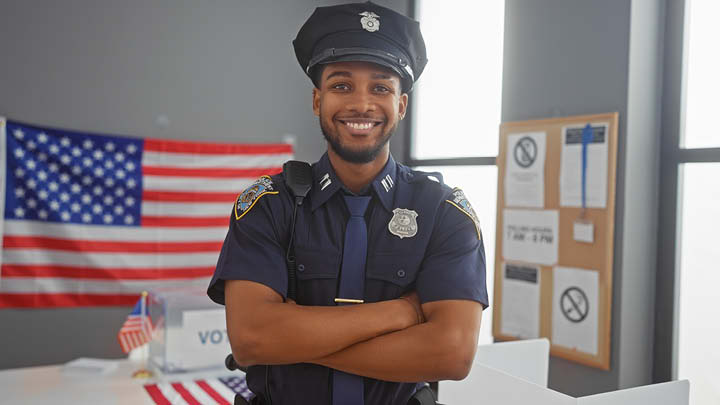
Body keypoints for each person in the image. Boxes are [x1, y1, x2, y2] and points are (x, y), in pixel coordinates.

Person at [207, 2, 488, 404]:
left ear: (401, 105)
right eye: (341, 85)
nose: (361, 104)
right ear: (317, 100)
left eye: (381, 87)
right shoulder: (270, 205)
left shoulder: (444, 213)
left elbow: (452, 353)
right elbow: (253, 339)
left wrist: (296, 341)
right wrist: (402, 314)